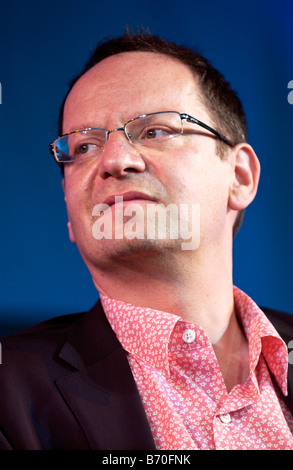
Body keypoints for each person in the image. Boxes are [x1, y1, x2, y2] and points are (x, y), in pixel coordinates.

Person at [0, 30, 293, 450]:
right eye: (84, 146)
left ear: (239, 177)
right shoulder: (8, 394)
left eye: (155, 131)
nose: (115, 160)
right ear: (69, 212)